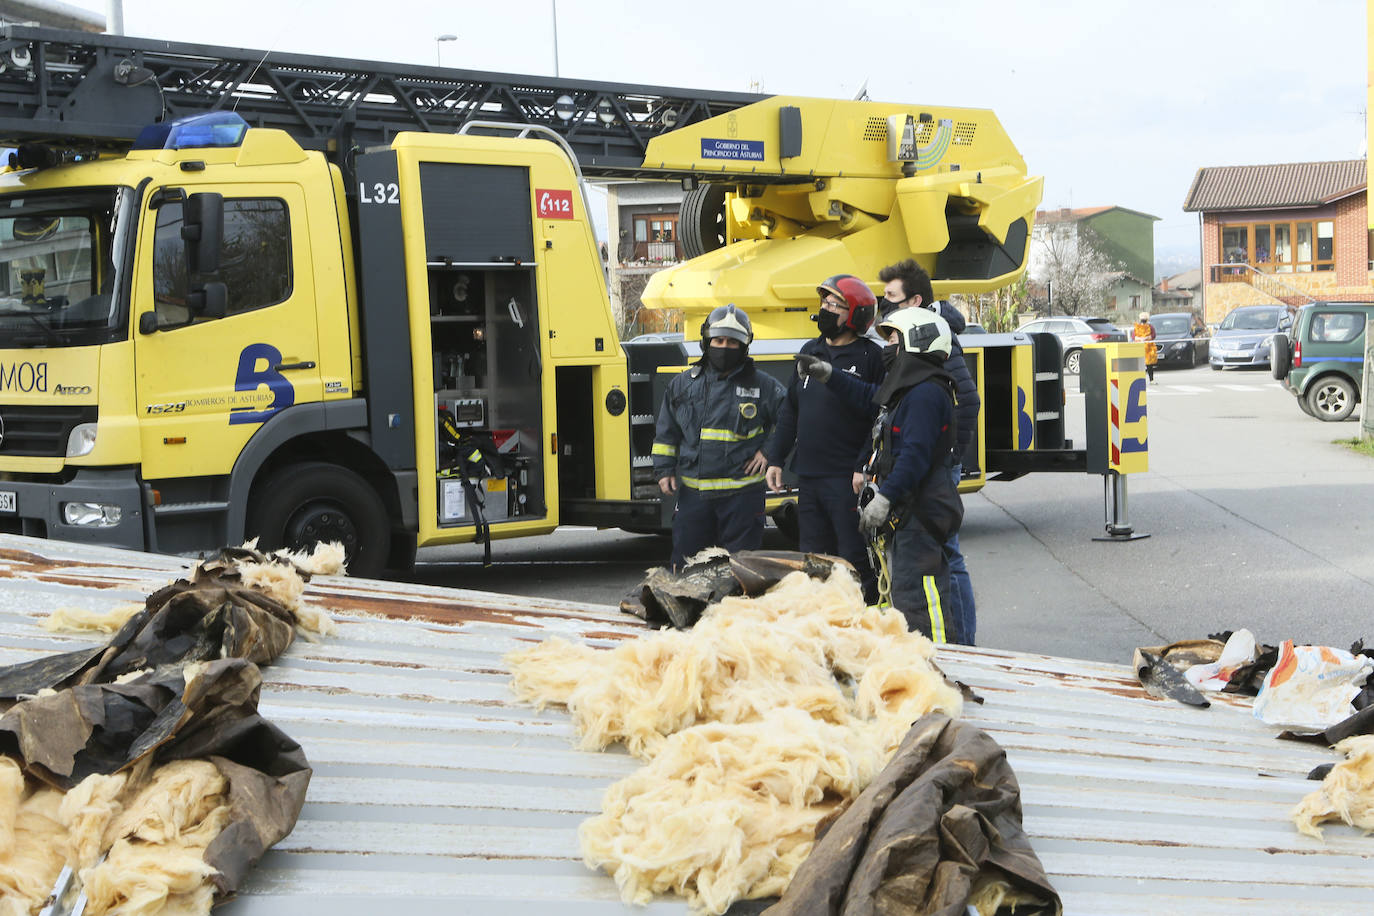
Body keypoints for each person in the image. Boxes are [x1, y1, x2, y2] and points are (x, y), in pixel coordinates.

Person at [796, 307, 964, 643]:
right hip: (909, 511)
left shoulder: (926, 394)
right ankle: (913, 664)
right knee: (903, 597)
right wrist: (829, 374)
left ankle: (942, 664)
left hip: (919, 512)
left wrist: (885, 498)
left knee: (920, 596)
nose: (886, 346)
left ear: (916, 343)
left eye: (892, 338)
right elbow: (869, 398)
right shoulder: (908, 389)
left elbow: (914, 455)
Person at [764, 274, 885, 601]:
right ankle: (821, 622)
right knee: (814, 560)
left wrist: (863, 465)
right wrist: (776, 458)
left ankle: (865, 620)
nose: (826, 309)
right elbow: (792, 408)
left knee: (852, 558)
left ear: (857, 314)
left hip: (847, 479)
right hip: (811, 476)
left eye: (836, 304)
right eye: (824, 302)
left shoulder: (871, 357)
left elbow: (879, 417)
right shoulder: (810, 350)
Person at [878, 258, 980, 644]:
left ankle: (964, 645)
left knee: (948, 561)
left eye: (891, 298)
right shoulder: (910, 342)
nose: (884, 306)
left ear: (914, 301)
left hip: (932, 474)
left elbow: (967, 401)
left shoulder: (933, 343)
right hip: (925, 471)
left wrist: (949, 459)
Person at [653, 303, 787, 571]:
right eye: (719, 340)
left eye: (732, 342)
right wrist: (664, 469)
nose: (724, 347)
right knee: (686, 568)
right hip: (695, 499)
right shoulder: (683, 384)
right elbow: (667, 430)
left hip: (742, 499)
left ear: (744, 345)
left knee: (741, 572)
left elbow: (790, 420)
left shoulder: (764, 386)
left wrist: (769, 452)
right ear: (707, 341)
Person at [1134, 311, 1158, 383]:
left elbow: (1153, 335)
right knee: (1142, 365)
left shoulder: (1149, 327)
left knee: (1148, 365)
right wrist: (1140, 339)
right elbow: (1134, 336)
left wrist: (1146, 338)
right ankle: (1143, 380)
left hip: (1147, 348)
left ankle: (1151, 379)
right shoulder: (1137, 327)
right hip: (1141, 347)